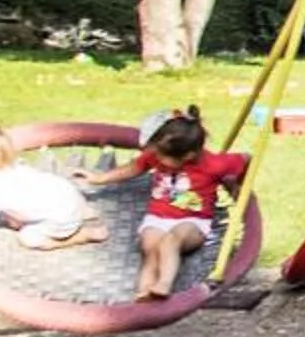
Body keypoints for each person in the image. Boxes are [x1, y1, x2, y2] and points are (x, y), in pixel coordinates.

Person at [79, 108, 244, 302]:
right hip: (157, 218)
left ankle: (164, 284)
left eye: (162, 156)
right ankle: (143, 292)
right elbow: (133, 168)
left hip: (193, 221)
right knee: (150, 249)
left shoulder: (213, 164)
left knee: (170, 242)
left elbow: (245, 158)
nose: (156, 158)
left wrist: (237, 183)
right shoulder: (158, 153)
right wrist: (98, 179)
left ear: (188, 155)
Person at [0, 121, 107, 250]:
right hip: (70, 196)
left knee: (29, 238)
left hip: (60, 220)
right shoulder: (12, 164)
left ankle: (83, 235)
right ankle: (85, 213)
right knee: (25, 206)